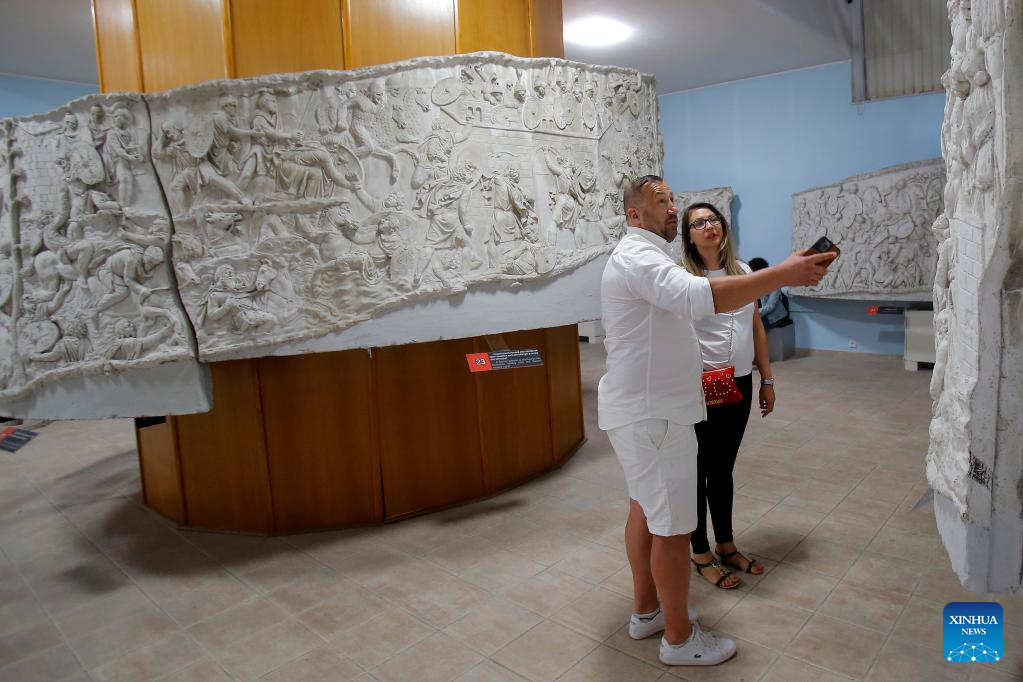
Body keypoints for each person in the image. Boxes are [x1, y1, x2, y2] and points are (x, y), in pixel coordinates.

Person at [598, 176, 833, 666]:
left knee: (646, 510)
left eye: (672, 199)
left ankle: (647, 612)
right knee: (671, 528)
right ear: (634, 215)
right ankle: (680, 640)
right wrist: (783, 273)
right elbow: (702, 297)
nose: (672, 207)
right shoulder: (639, 257)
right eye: (660, 202)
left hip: (647, 410)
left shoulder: (646, 256)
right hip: (655, 415)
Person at [679, 206, 775, 590]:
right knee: (699, 468)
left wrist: (767, 379)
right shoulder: (685, 278)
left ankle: (726, 545)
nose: (709, 226)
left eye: (714, 219)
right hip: (703, 384)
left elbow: (756, 325)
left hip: (740, 381)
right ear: (688, 236)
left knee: (723, 468)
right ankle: (699, 551)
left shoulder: (743, 271)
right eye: (698, 223)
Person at [748, 257, 791, 330]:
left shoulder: (774, 283)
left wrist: (755, 313)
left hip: (774, 316)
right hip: (760, 314)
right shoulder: (755, 284)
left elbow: (770, 306)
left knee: (752, 329)